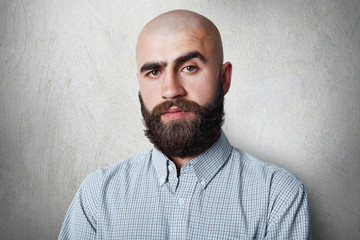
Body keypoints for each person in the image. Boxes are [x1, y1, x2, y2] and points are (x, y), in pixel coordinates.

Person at [59, 9, 311, 239]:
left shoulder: (277, 196)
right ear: (140, 82)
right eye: (154, 72)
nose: (171, 91)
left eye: (189, 67)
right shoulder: (97, 196)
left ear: (224, 79)